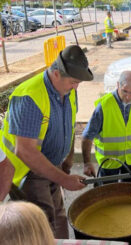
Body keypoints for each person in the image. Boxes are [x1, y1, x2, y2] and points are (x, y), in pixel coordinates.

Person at [0, 45, 93, 238]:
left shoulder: (68, 91)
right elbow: (25, 151)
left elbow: (69, 123)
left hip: (52, 166)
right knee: (41, 224)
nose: (76, 87)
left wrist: (67, 159)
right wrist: (64, 179)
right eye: (74, 81)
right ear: (57, 74)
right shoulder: (29, 96)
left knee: (58, 217)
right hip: (29, 173)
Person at [82, 71, 131, 183]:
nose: (128, 97)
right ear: (118, 85)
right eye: (125, 91)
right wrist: (87, 163)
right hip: (109, 162)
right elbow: (87, 136)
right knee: (109, 195)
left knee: (128, 192)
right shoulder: (104, 105)